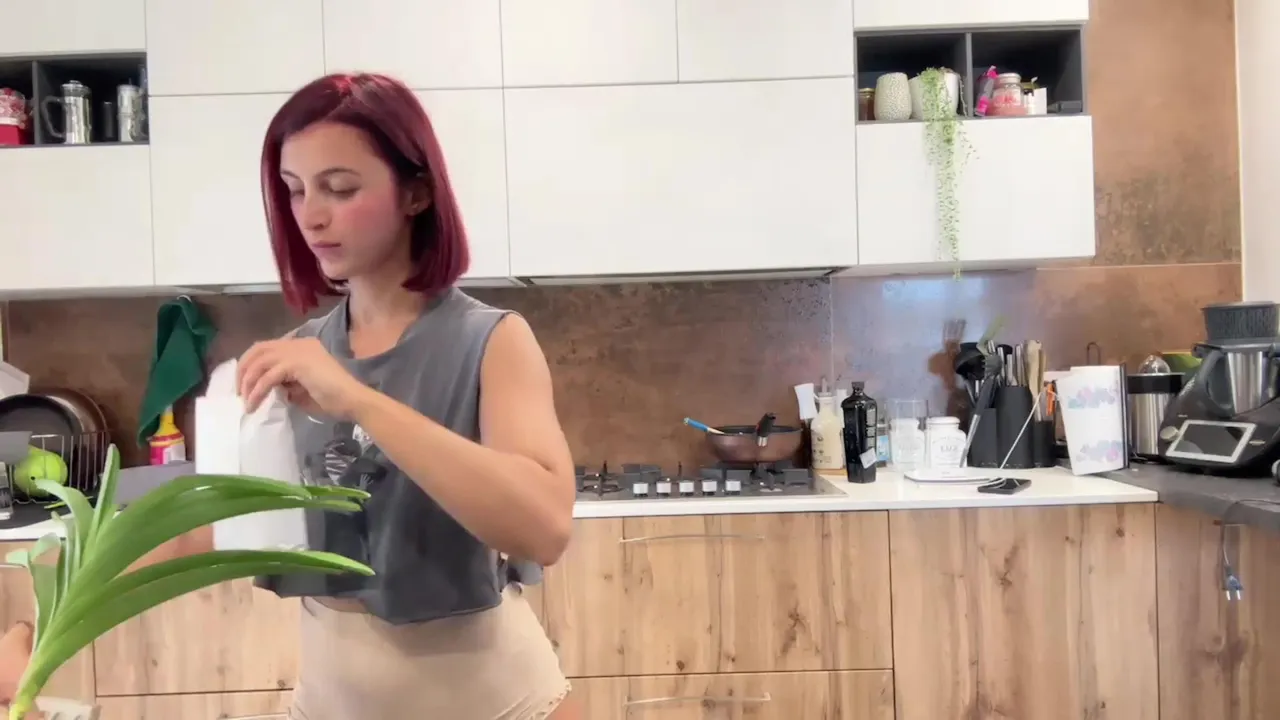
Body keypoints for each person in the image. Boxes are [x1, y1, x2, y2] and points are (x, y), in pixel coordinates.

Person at [229, 72, 579, 719]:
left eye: (340, 188)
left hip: (500, 705)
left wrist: (361, 400)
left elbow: (545, 530)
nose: (311, 215)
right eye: (295, 189)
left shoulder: (493, 340)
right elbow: (243, 524)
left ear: (416, 192)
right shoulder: (299, 355)